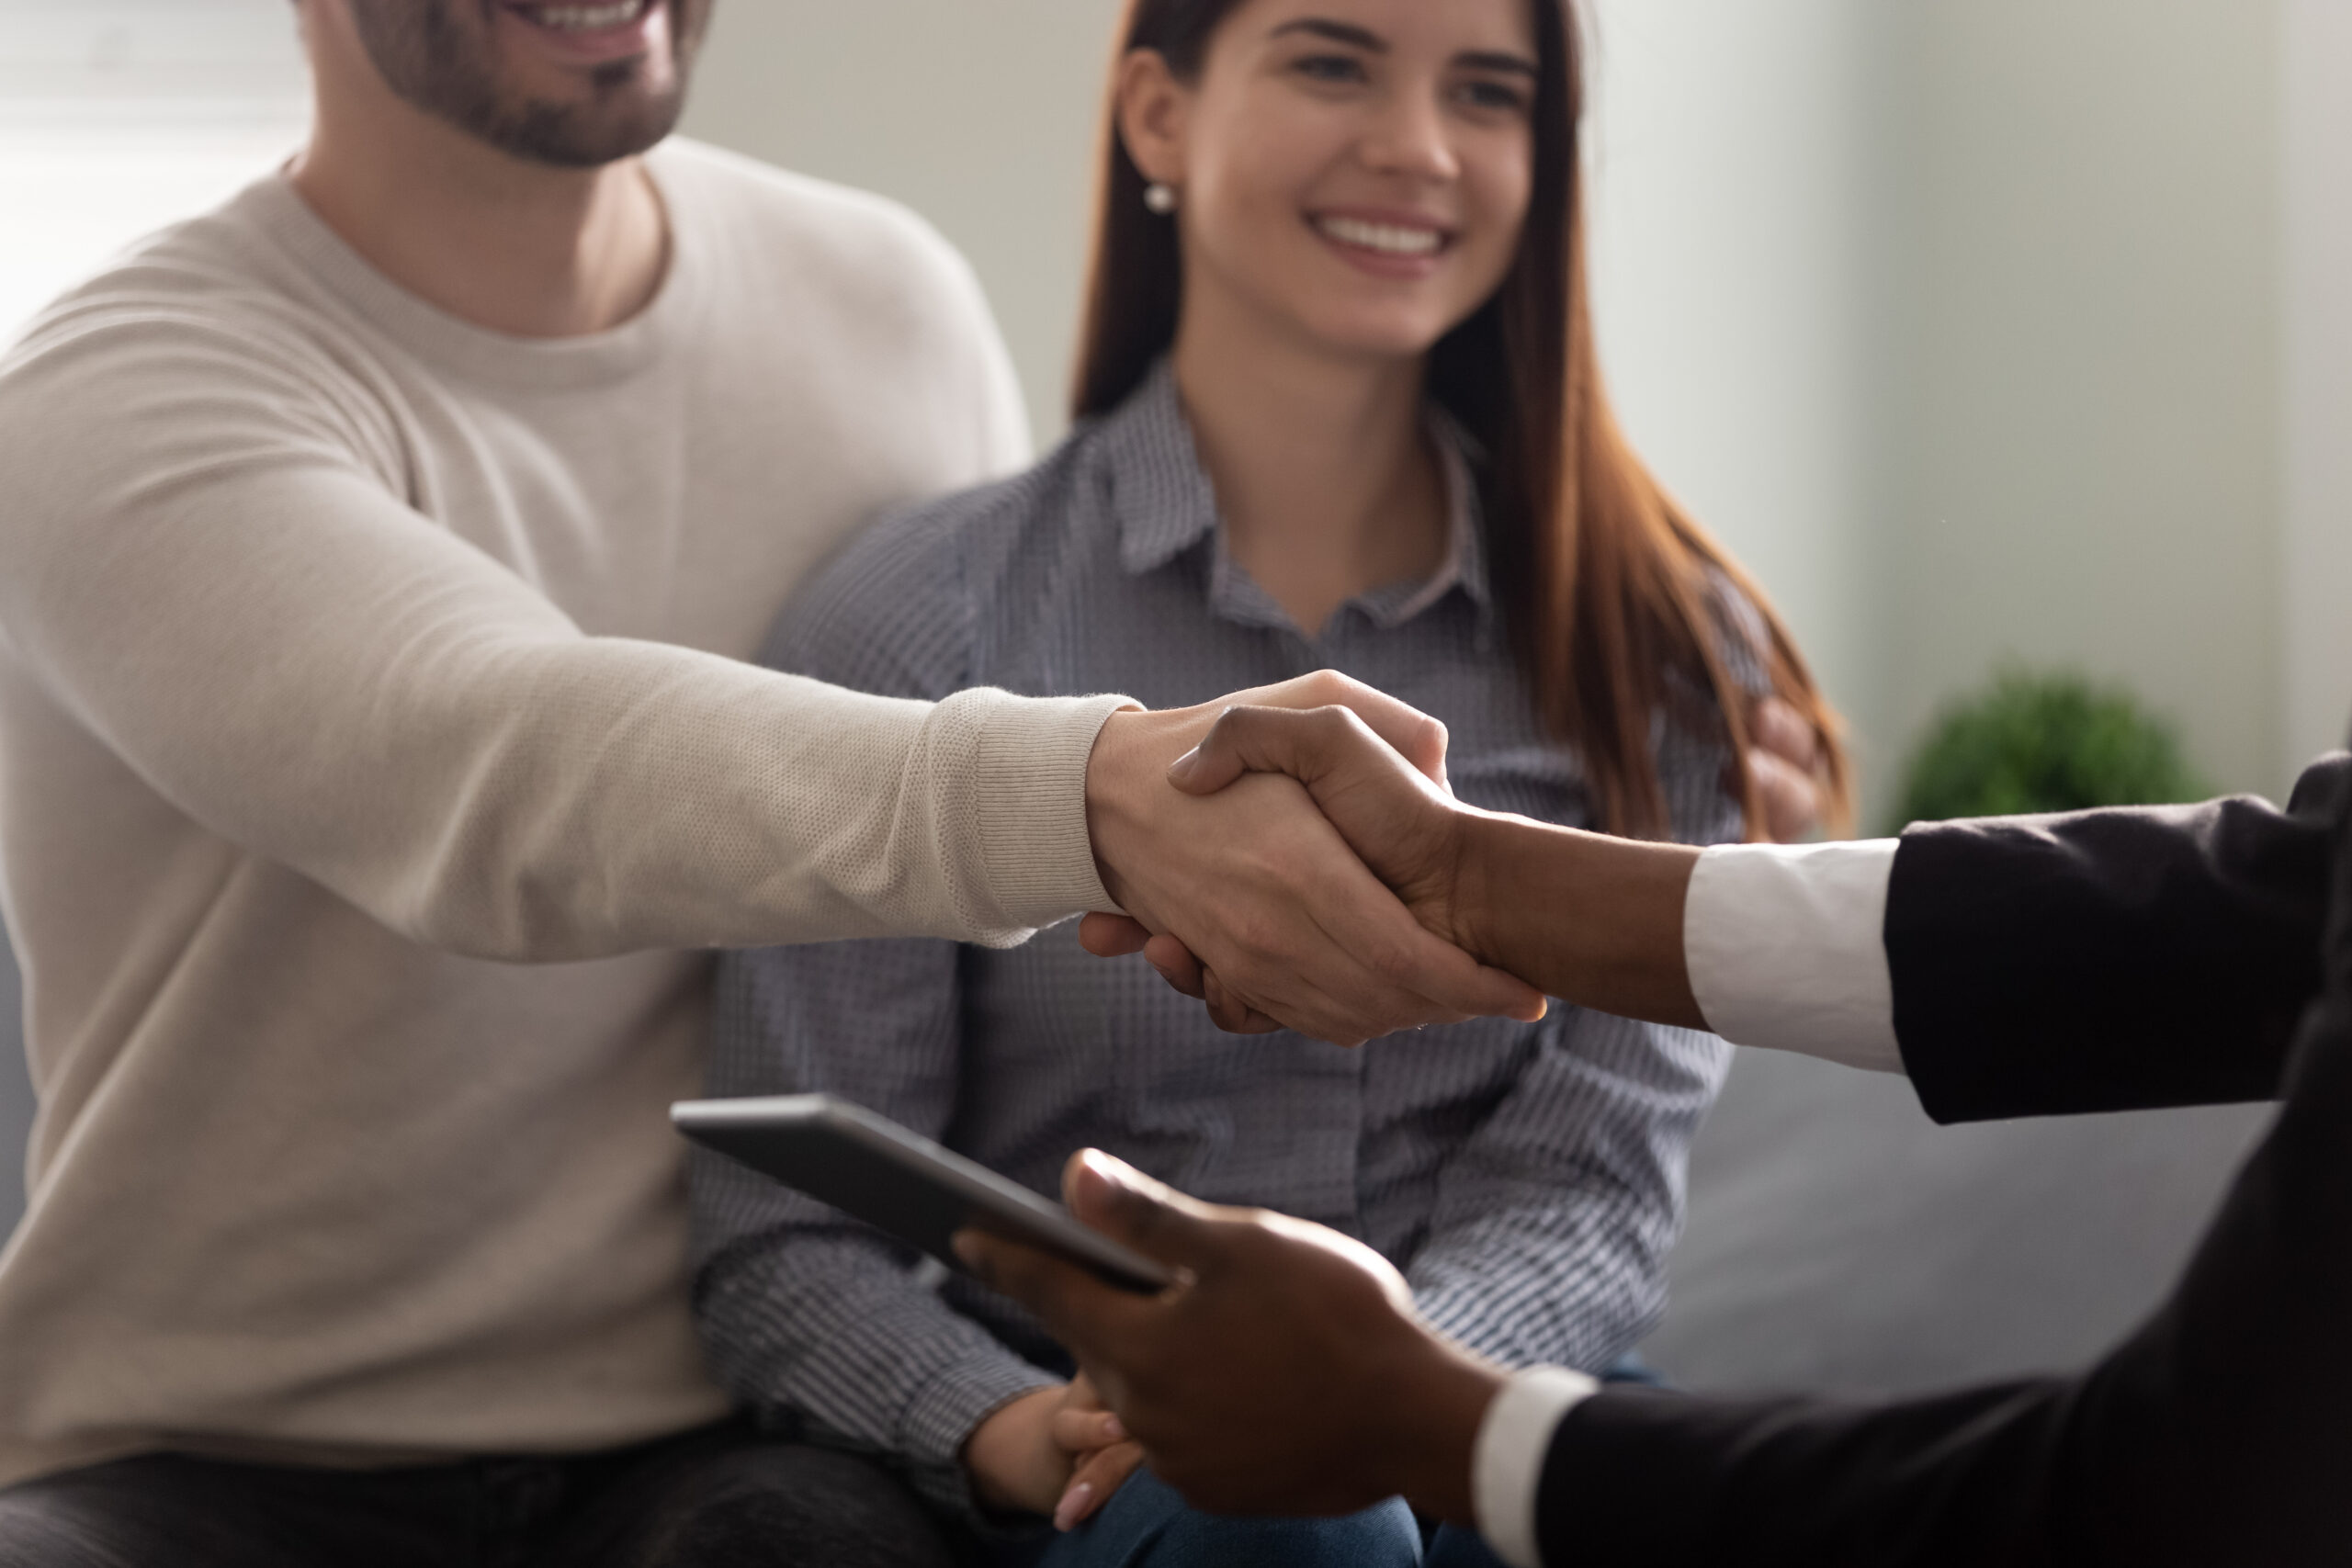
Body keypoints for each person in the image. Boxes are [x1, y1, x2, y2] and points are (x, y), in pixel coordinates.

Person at [0, 3, 1543, 1563]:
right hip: (202, 1458)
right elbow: (489, 763)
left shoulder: (881, 303)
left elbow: (926, 950)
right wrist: (1088, 795)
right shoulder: (115, 392)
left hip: (734, 1432)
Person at [690, 0, 1845, 1561]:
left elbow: (1592, 1192)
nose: (1420, 148)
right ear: (1159, 115)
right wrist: (1022, 1431)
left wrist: (1374, 1393)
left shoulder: (1658, 658)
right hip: (1080, 1478)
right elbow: (789, 1239)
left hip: (1485, 1429)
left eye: (1489, 93)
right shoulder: (918, 621)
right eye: (1332, 59)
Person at [967, 702, 2352, 1566]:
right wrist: (1474, 882)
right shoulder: (951, 593)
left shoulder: (1665, 656)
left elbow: (2183, 1502)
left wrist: (1415, 1410)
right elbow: (2273, 907)